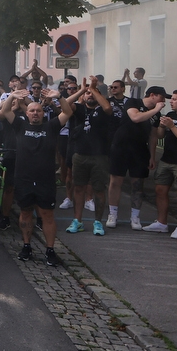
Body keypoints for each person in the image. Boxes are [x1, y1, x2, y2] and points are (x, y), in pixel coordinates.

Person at [0, 85, 73, 267]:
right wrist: (12, 96)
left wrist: (59, 96)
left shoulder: (52, 126)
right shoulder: (19, 125)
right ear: (27, 113)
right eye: (32, 111)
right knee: (25, 212)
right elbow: (5, 110)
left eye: (38, 111)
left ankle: (50, 249)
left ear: (43, 113)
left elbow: (68, 112)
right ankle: (26, 245)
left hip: (45, 179)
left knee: (47, 215)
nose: (35, 113)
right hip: (23, 177)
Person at [107, 85, 167, 229]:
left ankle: (135, 216)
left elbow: (153, 136)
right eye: (162, 97)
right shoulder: (133, 102)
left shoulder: (156, 114)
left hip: (139, 148)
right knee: (116, 181)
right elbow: (135, 117)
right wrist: (156, 109)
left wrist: (152, 156)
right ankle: (113, 214)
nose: (163, 101)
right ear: (152, 95)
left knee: (138, 184)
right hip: (121, 145)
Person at [61, 77, 112, 236]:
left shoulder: (103, 111)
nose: (90, 95)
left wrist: (94, 89)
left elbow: (108, 107)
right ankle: (77, 221)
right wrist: (82, 91)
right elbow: (64, 104)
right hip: (80, 154)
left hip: (100, 156)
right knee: (78, 187)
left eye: (93, 93)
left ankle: (98, 222)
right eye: (88, 93)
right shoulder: (79, 109)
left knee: (99, 189)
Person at [143, 90, 177, 236]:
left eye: (175, 99)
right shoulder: (170, 115)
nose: (171, 101)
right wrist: (162, 127)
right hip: (166, 159)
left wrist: (172, 127)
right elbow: (160, 135)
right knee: (160, 190)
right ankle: (161, 222)